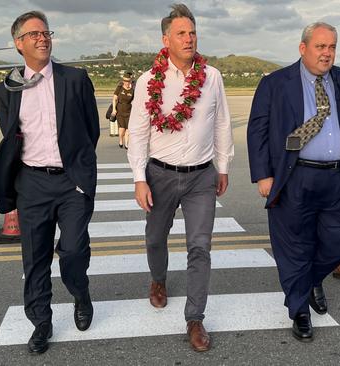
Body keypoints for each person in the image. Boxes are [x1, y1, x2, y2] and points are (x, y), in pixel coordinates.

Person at [247, 22, 340, 342]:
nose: (327, 53)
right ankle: (300, 311)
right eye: (320, 46)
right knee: (294, 245)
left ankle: (308, 281)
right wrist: (263, 175)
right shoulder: (276, 83)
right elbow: (258, 130)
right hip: (294, 176)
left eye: (332, 47)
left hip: (338, 175)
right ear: (303, 48)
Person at [0, 11, 100, 354]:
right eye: (34, 34)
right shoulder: (7, 89)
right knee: (35, 258)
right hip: (32, 184)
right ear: (18, 43)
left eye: (46, 32)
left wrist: (81, 176)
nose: (43, 38)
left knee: (72, 251)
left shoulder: (75, 79)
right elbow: (11, 136)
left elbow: (90, 131)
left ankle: (80, 293)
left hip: (70, 183)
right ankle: (41, 322)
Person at [127, 3, 234, 352]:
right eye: (181, 33)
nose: (189, 39)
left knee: (199, 247)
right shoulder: (148, 81)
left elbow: (221, 122)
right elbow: (138, 132)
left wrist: (223, 166)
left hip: (201, 177)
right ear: (165, 39)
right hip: (159, 174)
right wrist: (139, 178)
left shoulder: (212, 77)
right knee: (155, 238)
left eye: (192, 33)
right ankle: (158, 280)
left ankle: (195, 318)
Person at [111, 72, 135, 148]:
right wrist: (114, 109)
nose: (127, 83)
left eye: (128, 81)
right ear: (123, 81)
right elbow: (114, 98)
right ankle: (121, 140)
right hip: (120, 109)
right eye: (125, 81)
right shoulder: (120, 87)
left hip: (128, 110)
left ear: (130, 81)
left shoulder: (132, 89)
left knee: (128, 128)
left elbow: (134, 100)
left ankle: (126, 144)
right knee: (122, 128)